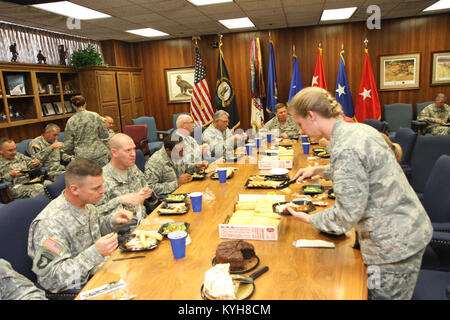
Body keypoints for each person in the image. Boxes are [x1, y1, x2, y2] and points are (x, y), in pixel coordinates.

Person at [286, 87, 432, 300]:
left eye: (300, 124)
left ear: (311, 115)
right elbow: (365, 168)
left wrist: (309, 218)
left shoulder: (346, 148)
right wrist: (320, 170)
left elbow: (345, 217)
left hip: (393, 246)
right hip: (404, 229)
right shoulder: (357, 130)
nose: (301, 131)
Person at [28, 158, 133, 293]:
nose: (103, 191)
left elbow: (95, 231)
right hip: (79, 287)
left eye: (102, 185)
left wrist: (112, 221)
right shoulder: (50, 223)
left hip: (104, 270)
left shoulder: (87, 205)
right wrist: (95, 252)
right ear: (75, 189)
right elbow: (51, 280)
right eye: (96, 188)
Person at [96, 133, 159, 230]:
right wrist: (120, 200)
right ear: (114, 153)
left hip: (145, 223)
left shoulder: (133, 169)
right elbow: (95, 214)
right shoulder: (102, 178)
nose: (133, 154)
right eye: (128, 150)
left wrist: (148, 195)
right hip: (124, 232)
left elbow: (150, 201)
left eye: (134, 149)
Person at [63, 95, 110, 166]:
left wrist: (66, 154)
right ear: (85, 104)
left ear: (73, 106)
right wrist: (108, 150)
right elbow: (105, 135)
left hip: (83, 157)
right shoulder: (95, 116)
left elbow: (69, 143)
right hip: (99, 154)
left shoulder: (71, 121)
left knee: (86, 176)